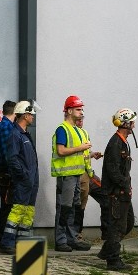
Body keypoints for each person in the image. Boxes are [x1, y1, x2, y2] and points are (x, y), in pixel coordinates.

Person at [51, 95, 92, 252]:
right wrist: (81, 148)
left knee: (73, 207)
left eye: (81, 109)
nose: (81, 112)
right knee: (64, 208)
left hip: (77, 174)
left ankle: (71, 238)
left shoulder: (78, 131)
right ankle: (61, 240)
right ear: (68, 111)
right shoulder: (62, 129)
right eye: (78, 109)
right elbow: (61, 151)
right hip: (66, 176)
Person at [97, 108, 136, 271]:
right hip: (116, 193)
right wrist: (124, 185)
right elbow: (113, 171)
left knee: (128, 222)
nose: (134, 124)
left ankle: (107, 251)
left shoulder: (123, 142)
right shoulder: (115, 143)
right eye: (132, 121)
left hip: (122, 191)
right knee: (117, 226)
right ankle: (113, 260)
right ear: (126, 123)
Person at [0, 101, 39, 254]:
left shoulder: (24, 134)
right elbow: (13, 159)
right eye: (31, 114)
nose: (33, 117)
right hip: (24, 181)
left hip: (31, 181)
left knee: (28, 211)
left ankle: (24, 243)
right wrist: (24, 175)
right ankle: (7, 243)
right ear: (25, 115)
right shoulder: (15, 134)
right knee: (17, 210)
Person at [73, 115, 103, 243]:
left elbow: (83, 155)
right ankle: (76, 234)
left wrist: (92, 154)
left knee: (106, 195)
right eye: (78, 120)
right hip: (78, 175)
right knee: (78, 205)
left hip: (88, 175)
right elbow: (71, 154)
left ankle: (107, 231)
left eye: (82, 119)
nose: (81, 122)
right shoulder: (71, 134)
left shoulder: (84, 133)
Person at [0, 100, 16, 251]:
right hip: (6, 172)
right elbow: (9, 153)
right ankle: (4, 242)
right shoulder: (6, 126)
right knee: (7, 206)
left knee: (7, 205)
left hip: (5, 172)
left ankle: (6, 240)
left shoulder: (5, 125)